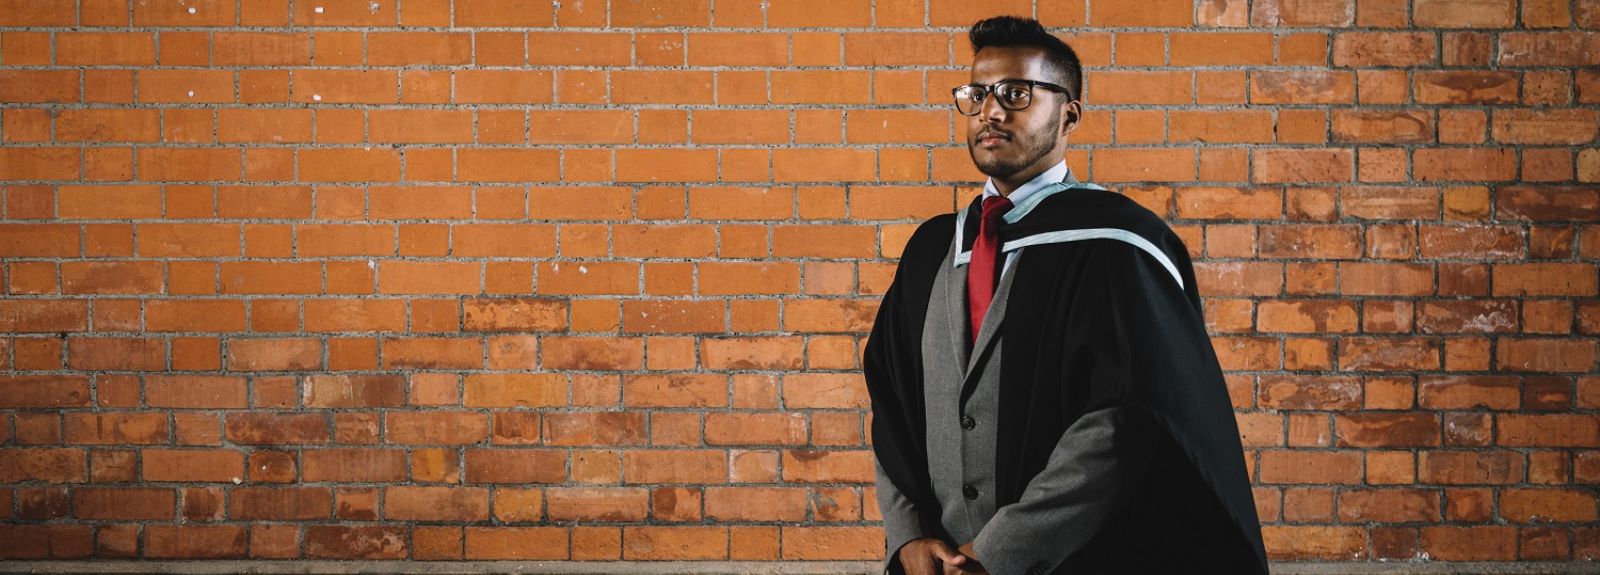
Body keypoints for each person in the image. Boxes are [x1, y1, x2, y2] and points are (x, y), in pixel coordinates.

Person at [864, 16, 1269, 575]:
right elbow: (893, 403)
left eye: (1016, 93)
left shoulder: (1116, 245)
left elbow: (1125, 423)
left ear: (1069, 113)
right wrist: (908, 534)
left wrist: (1001, 551)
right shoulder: (933, 248)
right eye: (977, 94)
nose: (991, 111)